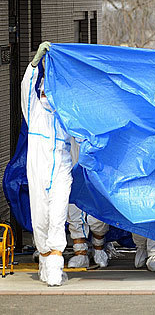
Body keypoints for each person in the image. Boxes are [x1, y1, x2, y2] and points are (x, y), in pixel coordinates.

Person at [21, 41, 72, 286]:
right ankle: (45, 260)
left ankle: (54, 265)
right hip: (38, 170)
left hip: (61, 170)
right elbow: (26, 86)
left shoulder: (67, 115)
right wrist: (35, 62)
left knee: (58, 216)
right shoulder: (34, 111)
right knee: (40, 217)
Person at [67, 138, 110, 269]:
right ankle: (80, 251)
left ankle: (99, 246)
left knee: (99, 194)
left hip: (96, 138)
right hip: (72, 138)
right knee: (73, 191)